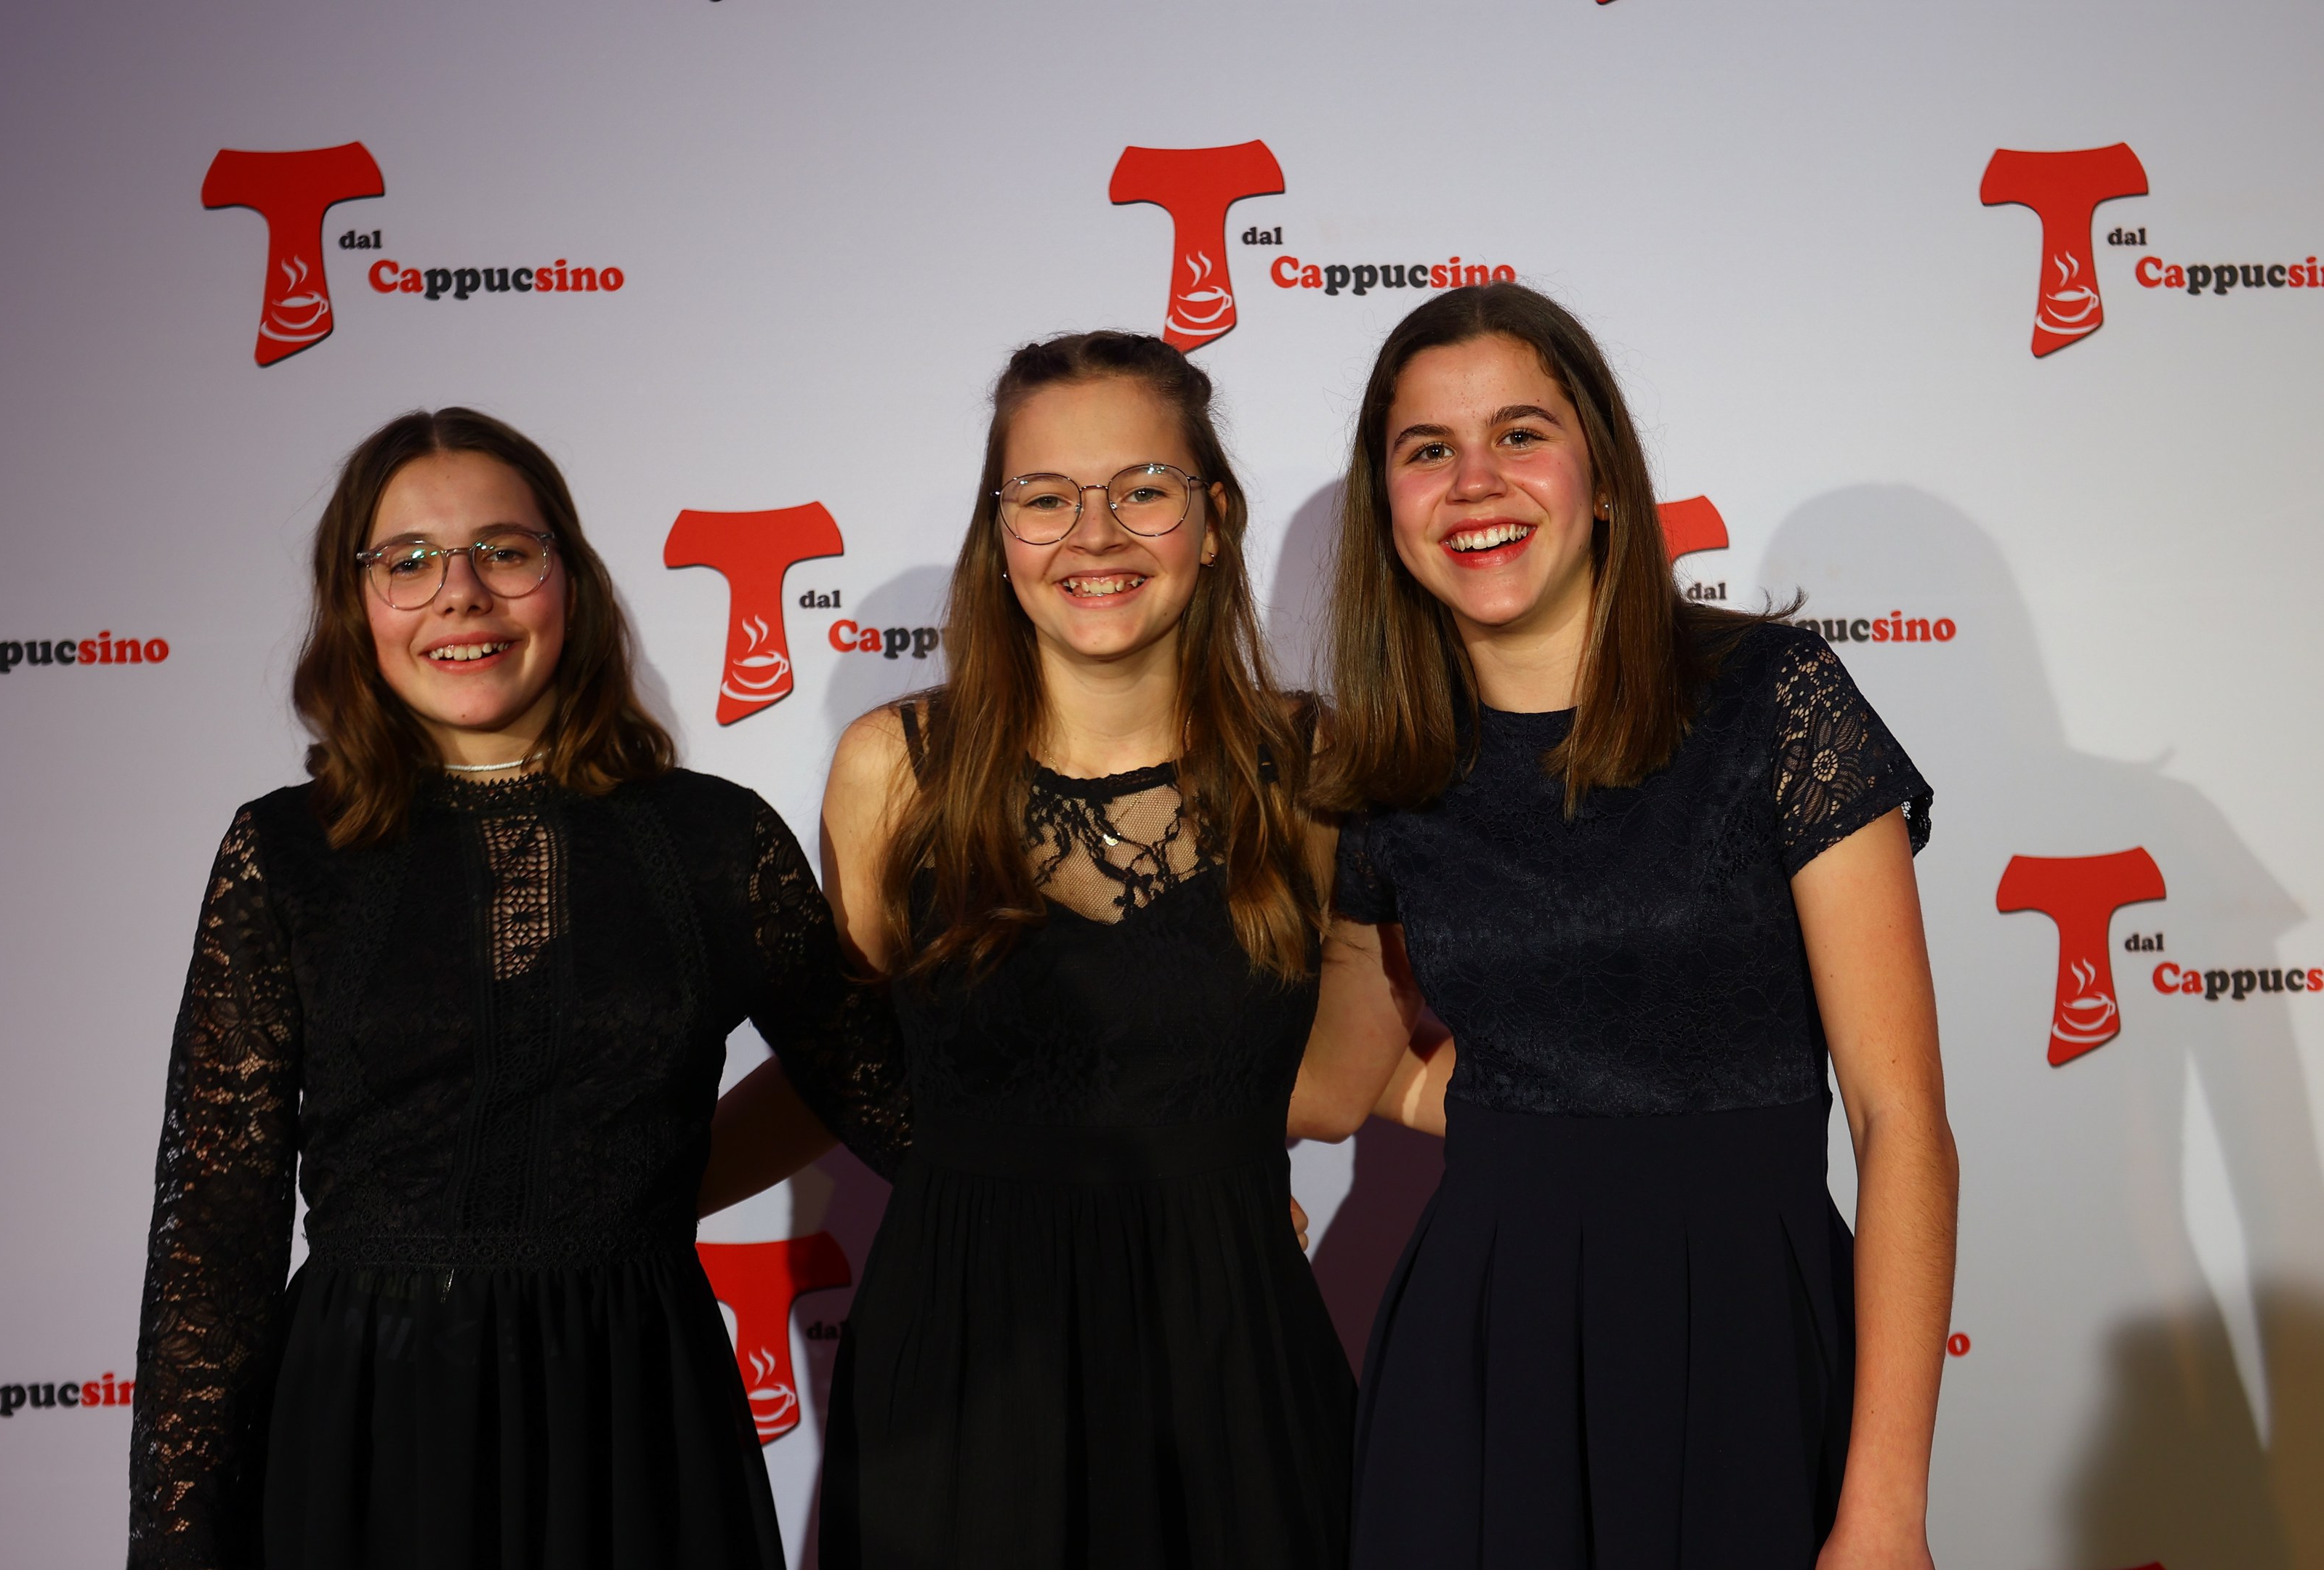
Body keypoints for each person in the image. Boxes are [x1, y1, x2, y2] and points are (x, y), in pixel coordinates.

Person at [128, 408, 904, 1570]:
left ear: (569, 583)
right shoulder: (285, 855)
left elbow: (896, 1098)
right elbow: (214, 1239)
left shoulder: (714, 840)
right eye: (409, 561)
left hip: (639, 1420)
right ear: (356, 604)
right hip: (368, 1431)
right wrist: (179, 1544)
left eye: (504, 551)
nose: (461, 595)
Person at [1289, 283, 1960, 1569]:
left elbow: (1901, 1121)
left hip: (1748, 1339)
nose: (1475, 483)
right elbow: (1334, 1080)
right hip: (1481, 1354)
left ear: (1602, 477)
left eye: (1520, 434)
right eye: (1428, 450)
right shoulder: (1387, 769)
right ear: (1389, 508)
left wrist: (1886, 1509)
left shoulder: (1773, 703)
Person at [808, 331, 1355, 1568]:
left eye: (1143, 490)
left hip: (1233, 1358)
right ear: (999, 534)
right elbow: (841, 1061)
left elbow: (1358, 1061)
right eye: (1046, 497)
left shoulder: (1312, 765)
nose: (1093, 536)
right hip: (962, 1368)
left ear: (1213, 521)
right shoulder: (894, 770)